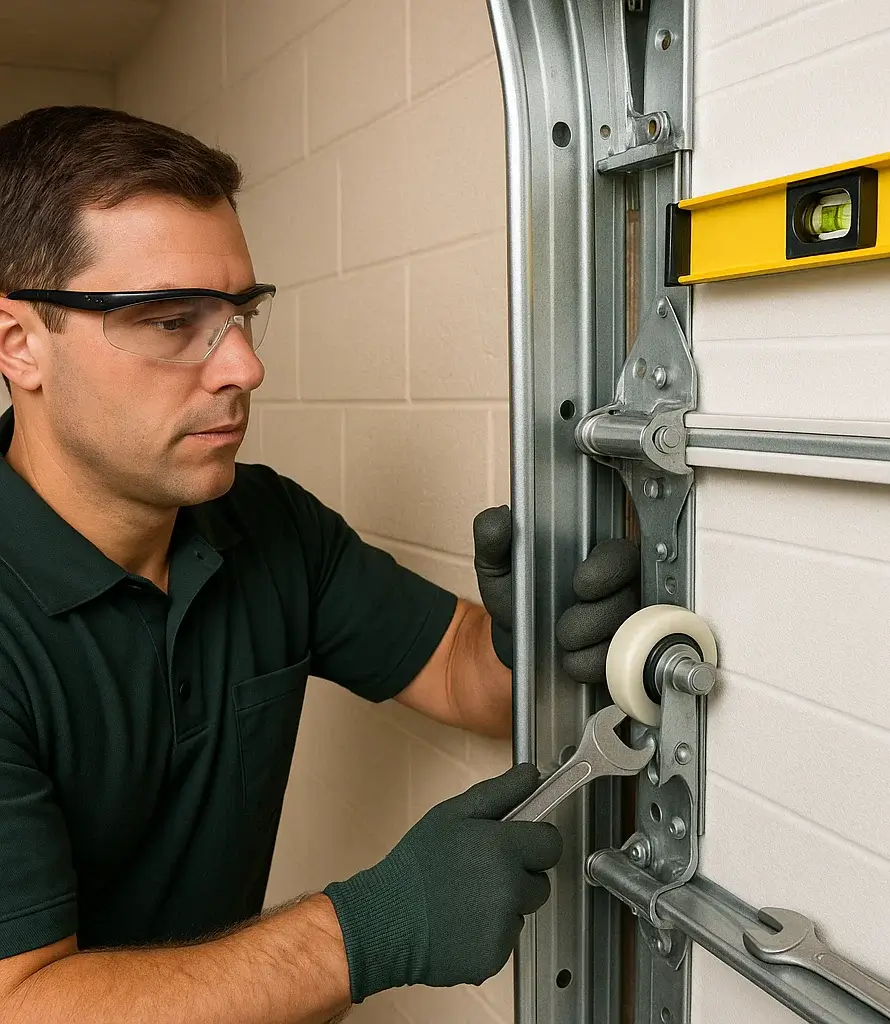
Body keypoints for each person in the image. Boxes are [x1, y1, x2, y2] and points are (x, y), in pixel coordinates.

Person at [0, 106, 640, 1023]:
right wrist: (367, 929)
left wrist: (528, 633)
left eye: (241, 313)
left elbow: (466, 679)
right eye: (173, 321)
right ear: (19, 342)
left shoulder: (260, 521)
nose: (246, 367)